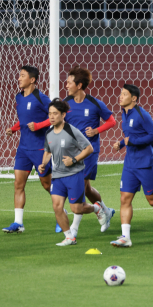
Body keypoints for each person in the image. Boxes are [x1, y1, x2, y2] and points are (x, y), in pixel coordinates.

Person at [111, 84, 153, 247]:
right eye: (121, 93)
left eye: (125, 94)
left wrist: (132, 141)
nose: (120, 96)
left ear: (134, 98)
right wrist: (121, 143)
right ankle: (125, 237)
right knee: (124, 198)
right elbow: (131, 136)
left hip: (146, 163)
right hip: (130, 164)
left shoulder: (142, 115)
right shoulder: (124, 113)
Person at [38, 99, 108, 246]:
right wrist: (43, 164)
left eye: (55, 114)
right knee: (57, 206)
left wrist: (74, 160)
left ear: (63, 115)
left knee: (77, 208)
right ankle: (69, 237)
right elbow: (47, 152)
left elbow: (89, 148)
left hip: (74, 174)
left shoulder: (71, 131)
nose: (51, 117)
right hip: (57, 176)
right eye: (50, 114)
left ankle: (96, 208)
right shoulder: (49, 133)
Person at [63, 66, 116, 233]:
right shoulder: (65, 104)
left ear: (79, 85)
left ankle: (74, 228)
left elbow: (111, 121)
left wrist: (96, 131)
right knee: (86, 189)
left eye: (69, 82)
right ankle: (105, 211)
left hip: (89, 151)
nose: (66, 85)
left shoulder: (95, 103)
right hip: (71, 152)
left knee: (80, 185)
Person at [3, 66, 53, 233]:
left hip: (40, 149)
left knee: (47, 185)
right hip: (23, 149)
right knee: (18, 184)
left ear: (32, 80)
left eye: (22, 76)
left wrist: (39, 125)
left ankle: (62, 213)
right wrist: (14, 128)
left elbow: (56, 116)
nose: (19, 78)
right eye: (19, 75)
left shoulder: (41, 98)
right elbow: (24, 119)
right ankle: (18, 223)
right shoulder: (18, 97)